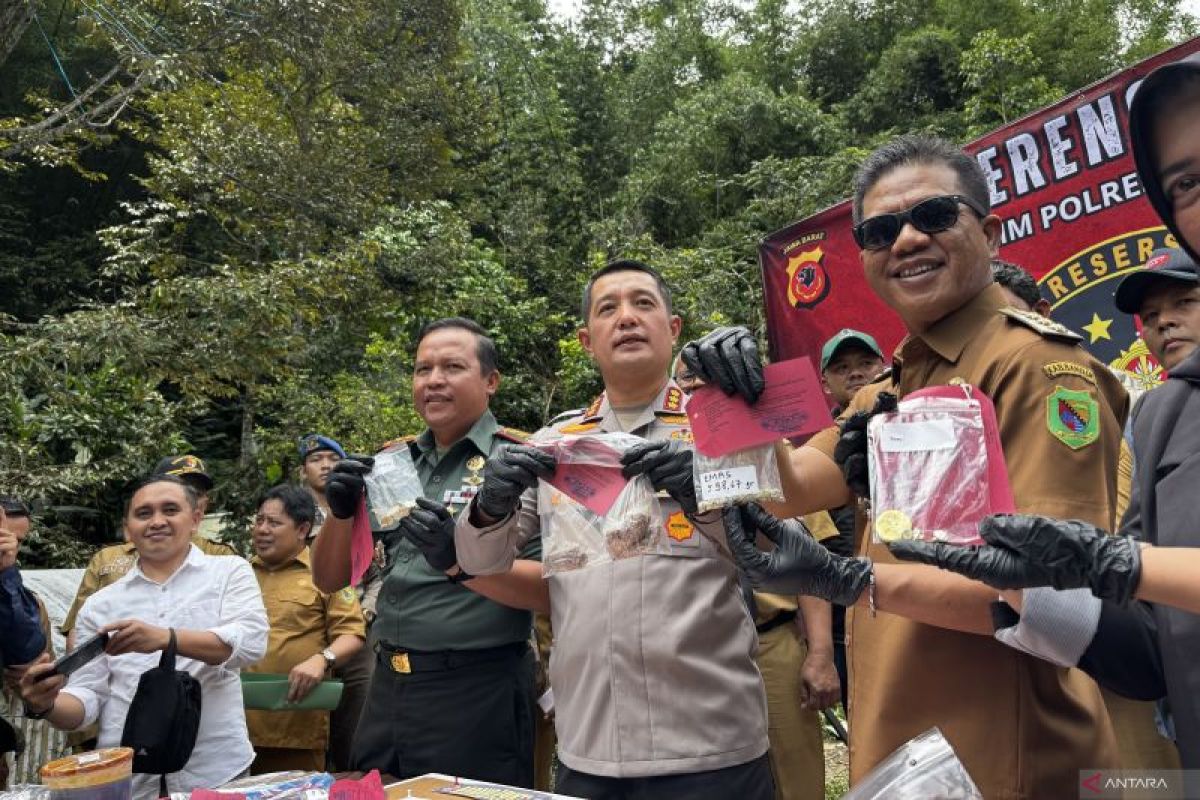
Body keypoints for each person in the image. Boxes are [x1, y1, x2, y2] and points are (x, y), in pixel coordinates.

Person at [685, 135, 1125, 796]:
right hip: (913, 750)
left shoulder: (1035, 367)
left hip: (1004, 755)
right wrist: (731, 399)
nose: (908, 240)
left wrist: (849, 579)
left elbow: (1053, 597)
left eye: (935, 216)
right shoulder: (891, 387)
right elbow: (790, 489)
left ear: (990, 230)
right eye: (881, 230)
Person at [450, 260, 775, 800]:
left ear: (674, 329)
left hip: (712, 744)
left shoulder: (723, 429)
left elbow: (775, 556)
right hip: (590, 746)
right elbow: (479, 563)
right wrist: (490, 504)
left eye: (643, 303)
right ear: (586, 339)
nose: (626, 317)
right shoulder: (552, 446)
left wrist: (706, 500)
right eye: (608, 308)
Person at [892, 246, 1200, 768]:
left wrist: (1120, 565)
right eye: (1149, 316)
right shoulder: (1160, 413)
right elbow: (1150, 637)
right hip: (1141, 670)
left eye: (1185, 303)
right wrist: (1025, 585)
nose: (1164, 322)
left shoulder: (1072, 380)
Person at [312, 317, 540, 786]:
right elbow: (329, 579)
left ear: (490, 381)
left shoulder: (519, 462)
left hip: (476, 689)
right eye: (422, 369)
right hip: (388, 685)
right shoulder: (390, 463)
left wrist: (459, 560)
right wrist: (338, 512)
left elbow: (550, 587)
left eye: (453, 366)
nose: (434, 380)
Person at [989, 258, 1178, 771]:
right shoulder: (973, 413)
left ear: (1043, 315)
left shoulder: (1095, 390)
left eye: (1002, 321)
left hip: (1129, 625)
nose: (993, 344)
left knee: (1151, 779)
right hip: (1055, 637)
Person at [19, 475, 268, 800]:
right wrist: (46, 703)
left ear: (194, 519)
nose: (157, 521)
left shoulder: (229, 572)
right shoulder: (100, 604)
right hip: (127, 776)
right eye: (144, 513)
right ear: (127, 529)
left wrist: (166, 638)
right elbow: (88, 698)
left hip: (216, 770)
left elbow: (249, 643)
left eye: (170, 509)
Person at [672, 355, 836, 800]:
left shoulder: (774, 452)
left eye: (711, 381)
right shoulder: (658, 461)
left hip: (773, 642)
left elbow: (811, 564)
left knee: (795, 773)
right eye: (688, 381)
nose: (699, 390)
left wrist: (820, 652)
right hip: (698, 649)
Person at [245, 484, 365, 774]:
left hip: (296, 726)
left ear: (302, 529)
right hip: (237, 729)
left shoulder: (325, 572)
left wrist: (322, 659)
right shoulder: (240, 574)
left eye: (274, 522)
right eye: (259, 520)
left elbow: (352, 634)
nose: (262, 529)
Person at [61, 455, 236, 649]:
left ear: (204, 504)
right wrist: (74, 673)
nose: (191, 495)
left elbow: (240, 637)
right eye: (178, 485)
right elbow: (80, 630)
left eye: (197, 491)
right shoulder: (107, 559)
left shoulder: (223, 559)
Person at [816, 329, 885, 705]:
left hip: (909, 599)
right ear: (824, 382)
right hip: (844, 611)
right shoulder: (814, 452)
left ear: (885, 366)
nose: (855, 373)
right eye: (842, 367)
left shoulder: (913, 425)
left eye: (865, 364)